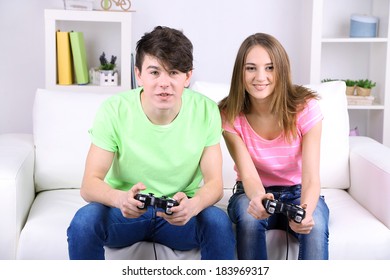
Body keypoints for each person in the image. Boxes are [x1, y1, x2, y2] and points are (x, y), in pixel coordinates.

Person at [67, 26, 235, 260]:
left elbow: (215, 183)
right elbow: (89, 185)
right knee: (84, 221)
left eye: (174, 72)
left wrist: (193, 205)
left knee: (218, 223)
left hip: (178, 214)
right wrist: (119, 199)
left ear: (187, 77)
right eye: (154, 72)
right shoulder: (114, 110)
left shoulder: (206, 110)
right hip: (126, 212)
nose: (163, 83)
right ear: (139, 74)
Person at [218, 33, 329, 260]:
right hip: (251, 192)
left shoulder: (305, 108)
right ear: (240, 72)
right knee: (250, 220)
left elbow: (310, 178)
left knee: (315, 227)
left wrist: (306, 209)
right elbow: (248, 175)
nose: (260, 77)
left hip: (298, 191)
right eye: (251, 68)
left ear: (282, 71)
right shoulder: (228, 114)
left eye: (269, 68)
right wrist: (259, 198)